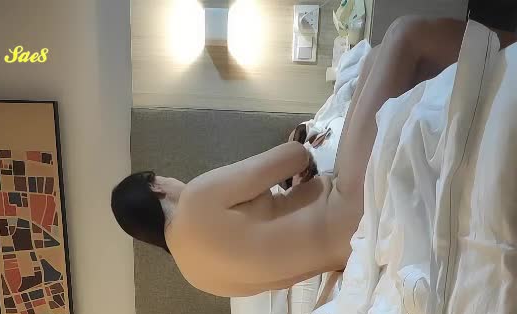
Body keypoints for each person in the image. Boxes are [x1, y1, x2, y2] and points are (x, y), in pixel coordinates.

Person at [111, 16, 516, 298]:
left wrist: (294, 188)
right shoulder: (195, 201)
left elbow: (284, 255)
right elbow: (293, 154)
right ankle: (508, 46)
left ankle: (471, 74)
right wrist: (297, 159)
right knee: (404, 36)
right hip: (351, 202)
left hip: (349, 251)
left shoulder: (196, 276)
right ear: (156, 186)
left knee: (374, 60)